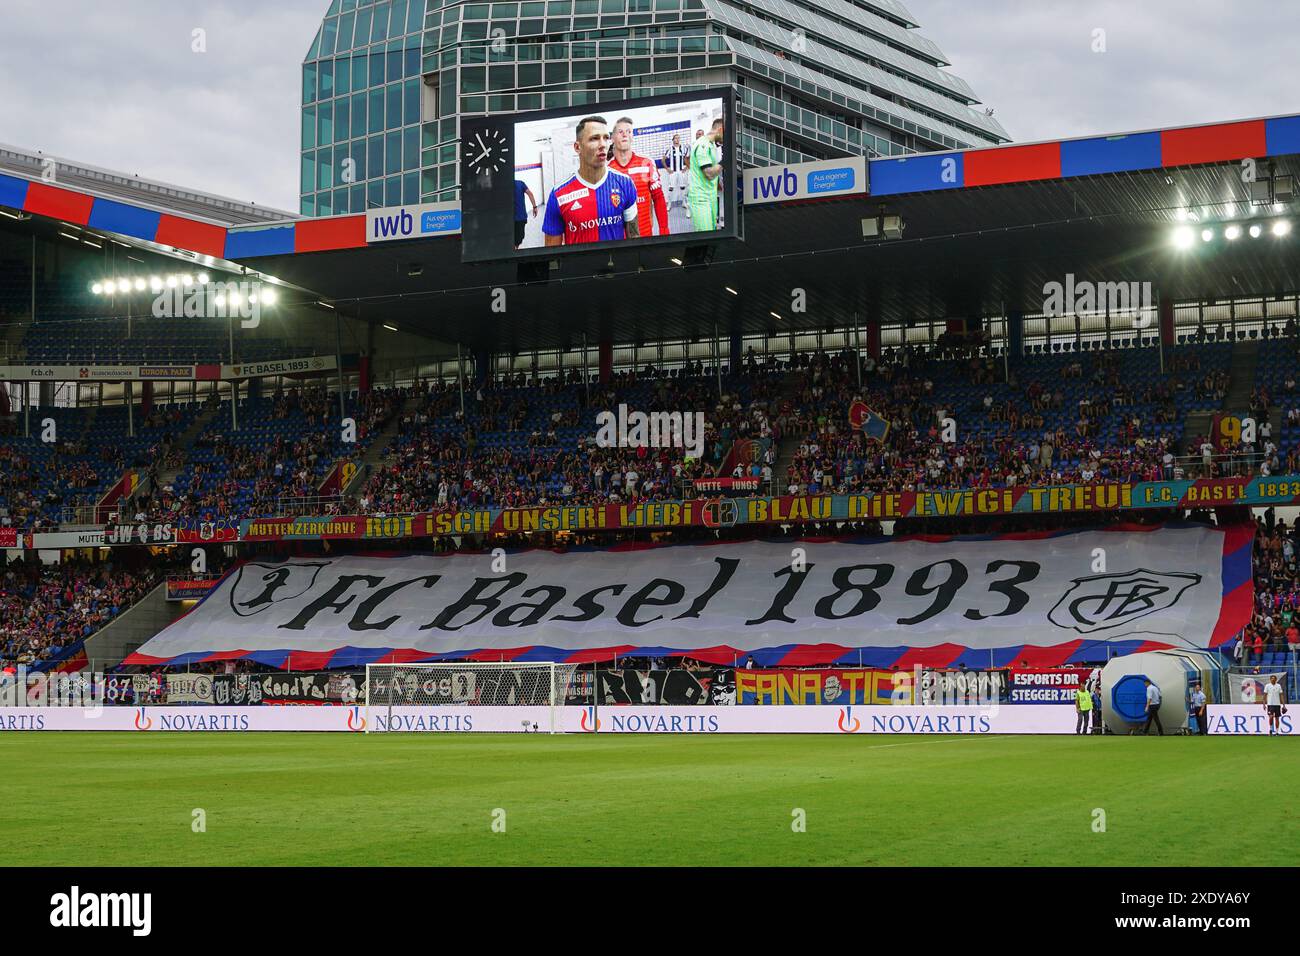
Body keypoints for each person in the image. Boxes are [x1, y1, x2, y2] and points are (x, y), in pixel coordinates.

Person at [542, 116, 641, 247]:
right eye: (594, 138)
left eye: (606, 138)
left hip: (616, 265)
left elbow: (634, 238)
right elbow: (551, 253)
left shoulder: (625, 183)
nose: (603, 145)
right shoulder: (558, 194)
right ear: (578, 147)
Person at [608, 117, 669, 237]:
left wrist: (664, 230)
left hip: (645, 235)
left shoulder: (647, 163)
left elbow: (658, 198)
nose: (625, 135)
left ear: (632, 137)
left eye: (629, 131)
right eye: (620, 132)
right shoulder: (607, 170)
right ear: (612, 138)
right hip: (619, 239)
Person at [686, 117, 725, 232]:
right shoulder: (703, 145)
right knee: (705, 237)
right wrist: (725, 160)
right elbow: (709, 173)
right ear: (721, 129)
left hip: (710, 197)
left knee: (711, 234)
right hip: (701, 198)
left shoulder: (711, 145)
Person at [661, 132, 689, 209]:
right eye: (675, 138)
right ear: (673, 140)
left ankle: (684, 202)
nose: (677, 139)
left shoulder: (684, 148)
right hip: (673, 172)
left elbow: (687, 158)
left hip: (681, 171)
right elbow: (663, 160)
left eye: (678, 138)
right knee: (671, 188)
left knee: (683, 187)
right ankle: (669, 204)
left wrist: (686, 167)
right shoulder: (669, 149)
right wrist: (667, 169)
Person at [513, 179, 539, 249]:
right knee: (518, 240)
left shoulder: (505, 185)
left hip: (508, 218)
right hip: (520, 218)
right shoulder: (520, 183)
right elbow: (530, 193)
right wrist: (534, 207)